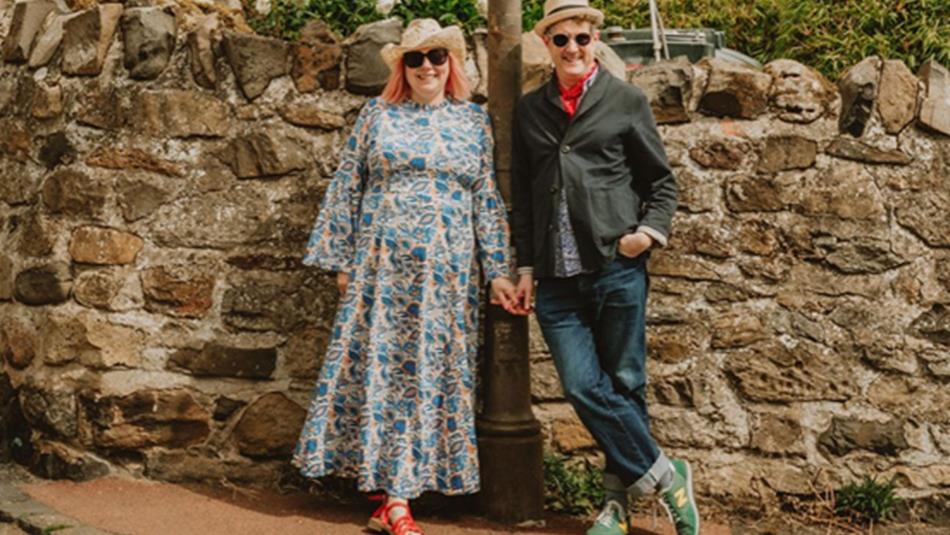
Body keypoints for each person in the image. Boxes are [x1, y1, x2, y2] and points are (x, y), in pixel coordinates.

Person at [293, 18, 518, 535]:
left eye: (435, 57)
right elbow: (348, 184)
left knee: (427, 376)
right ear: (401, 67)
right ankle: (395, 497)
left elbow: (485, 198)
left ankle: (395, 492)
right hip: (382, 271)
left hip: (448, 277)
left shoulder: (472, 122)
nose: (425, 67)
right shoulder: (377, 115)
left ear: (451, 63)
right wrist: (343, 262)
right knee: (381, 372)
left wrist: (500, 272)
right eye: (414, 59)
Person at [509, 1, 699, 535]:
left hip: (616, 265)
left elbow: (661, 183)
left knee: (625, 383)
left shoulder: (626, 100)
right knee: (581, 385)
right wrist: (524, 265)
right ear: (546, 44)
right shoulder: (530, 109)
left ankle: (617, 509)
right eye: (562, 39)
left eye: (582, 39)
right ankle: (668, 474)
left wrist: (645, 236)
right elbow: (523, 195)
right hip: (554, 277)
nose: (573, 48)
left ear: (596, 41)